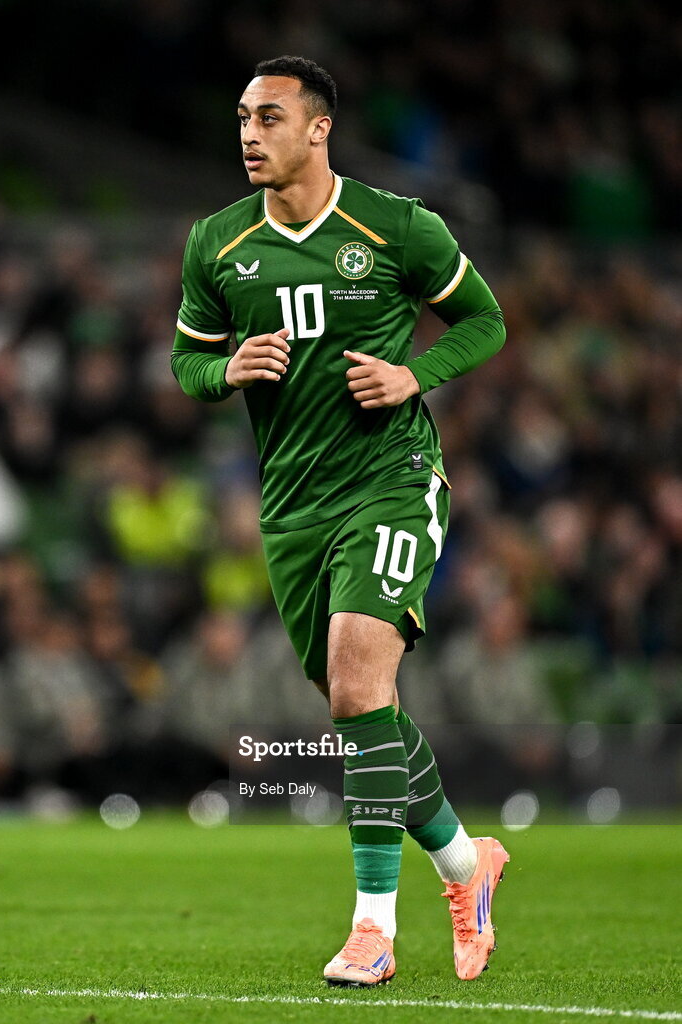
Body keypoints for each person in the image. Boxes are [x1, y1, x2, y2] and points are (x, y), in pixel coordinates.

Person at [171, 55, 509, 987]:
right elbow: (185, 362)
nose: (248, 132)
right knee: (366, 713)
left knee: (359, 689)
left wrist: (414, 376)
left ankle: (372, 931)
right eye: (242, 115)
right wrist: (226, 371)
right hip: (292, 511)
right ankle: (464, 866)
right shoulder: (218, 244)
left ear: (318, 129)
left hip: (393, 480)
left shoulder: (398, 228)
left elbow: (484, 323)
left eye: (270, 117)